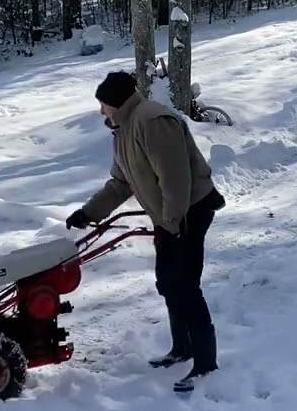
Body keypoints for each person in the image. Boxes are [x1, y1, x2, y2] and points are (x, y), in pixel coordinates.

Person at [65, 70, 226, 392]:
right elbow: (120, 183)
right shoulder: (123, 128)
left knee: (185, 285)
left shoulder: (152, 121)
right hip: (170, 218)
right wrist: (88, 213)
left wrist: (172, 224)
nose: (101, 112)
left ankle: (206, 363)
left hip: (188, 212)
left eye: (103, 105)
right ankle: (181, 348)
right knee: (169, 283)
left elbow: (175, 180)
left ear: (116, 102)